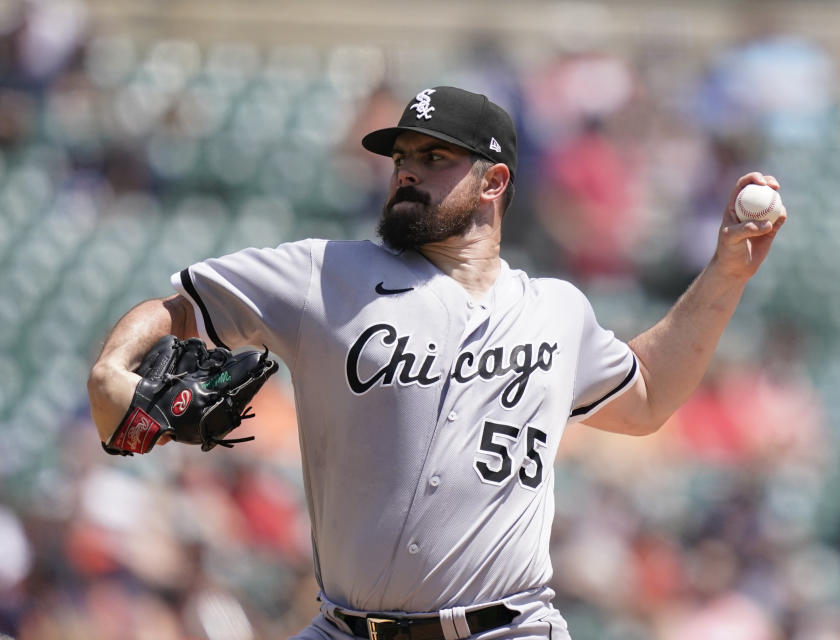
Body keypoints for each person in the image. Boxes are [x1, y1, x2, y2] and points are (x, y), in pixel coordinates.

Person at [86, 85, 786, 640]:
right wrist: (112, 367)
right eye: (402, 158)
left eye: (434, 157)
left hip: (509, 627)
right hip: (346, 629)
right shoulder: (326, 274)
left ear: (494, 181)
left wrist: (726, 271)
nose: (409, 172)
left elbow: (650, 395)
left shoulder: (556, 310)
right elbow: (181, 303)